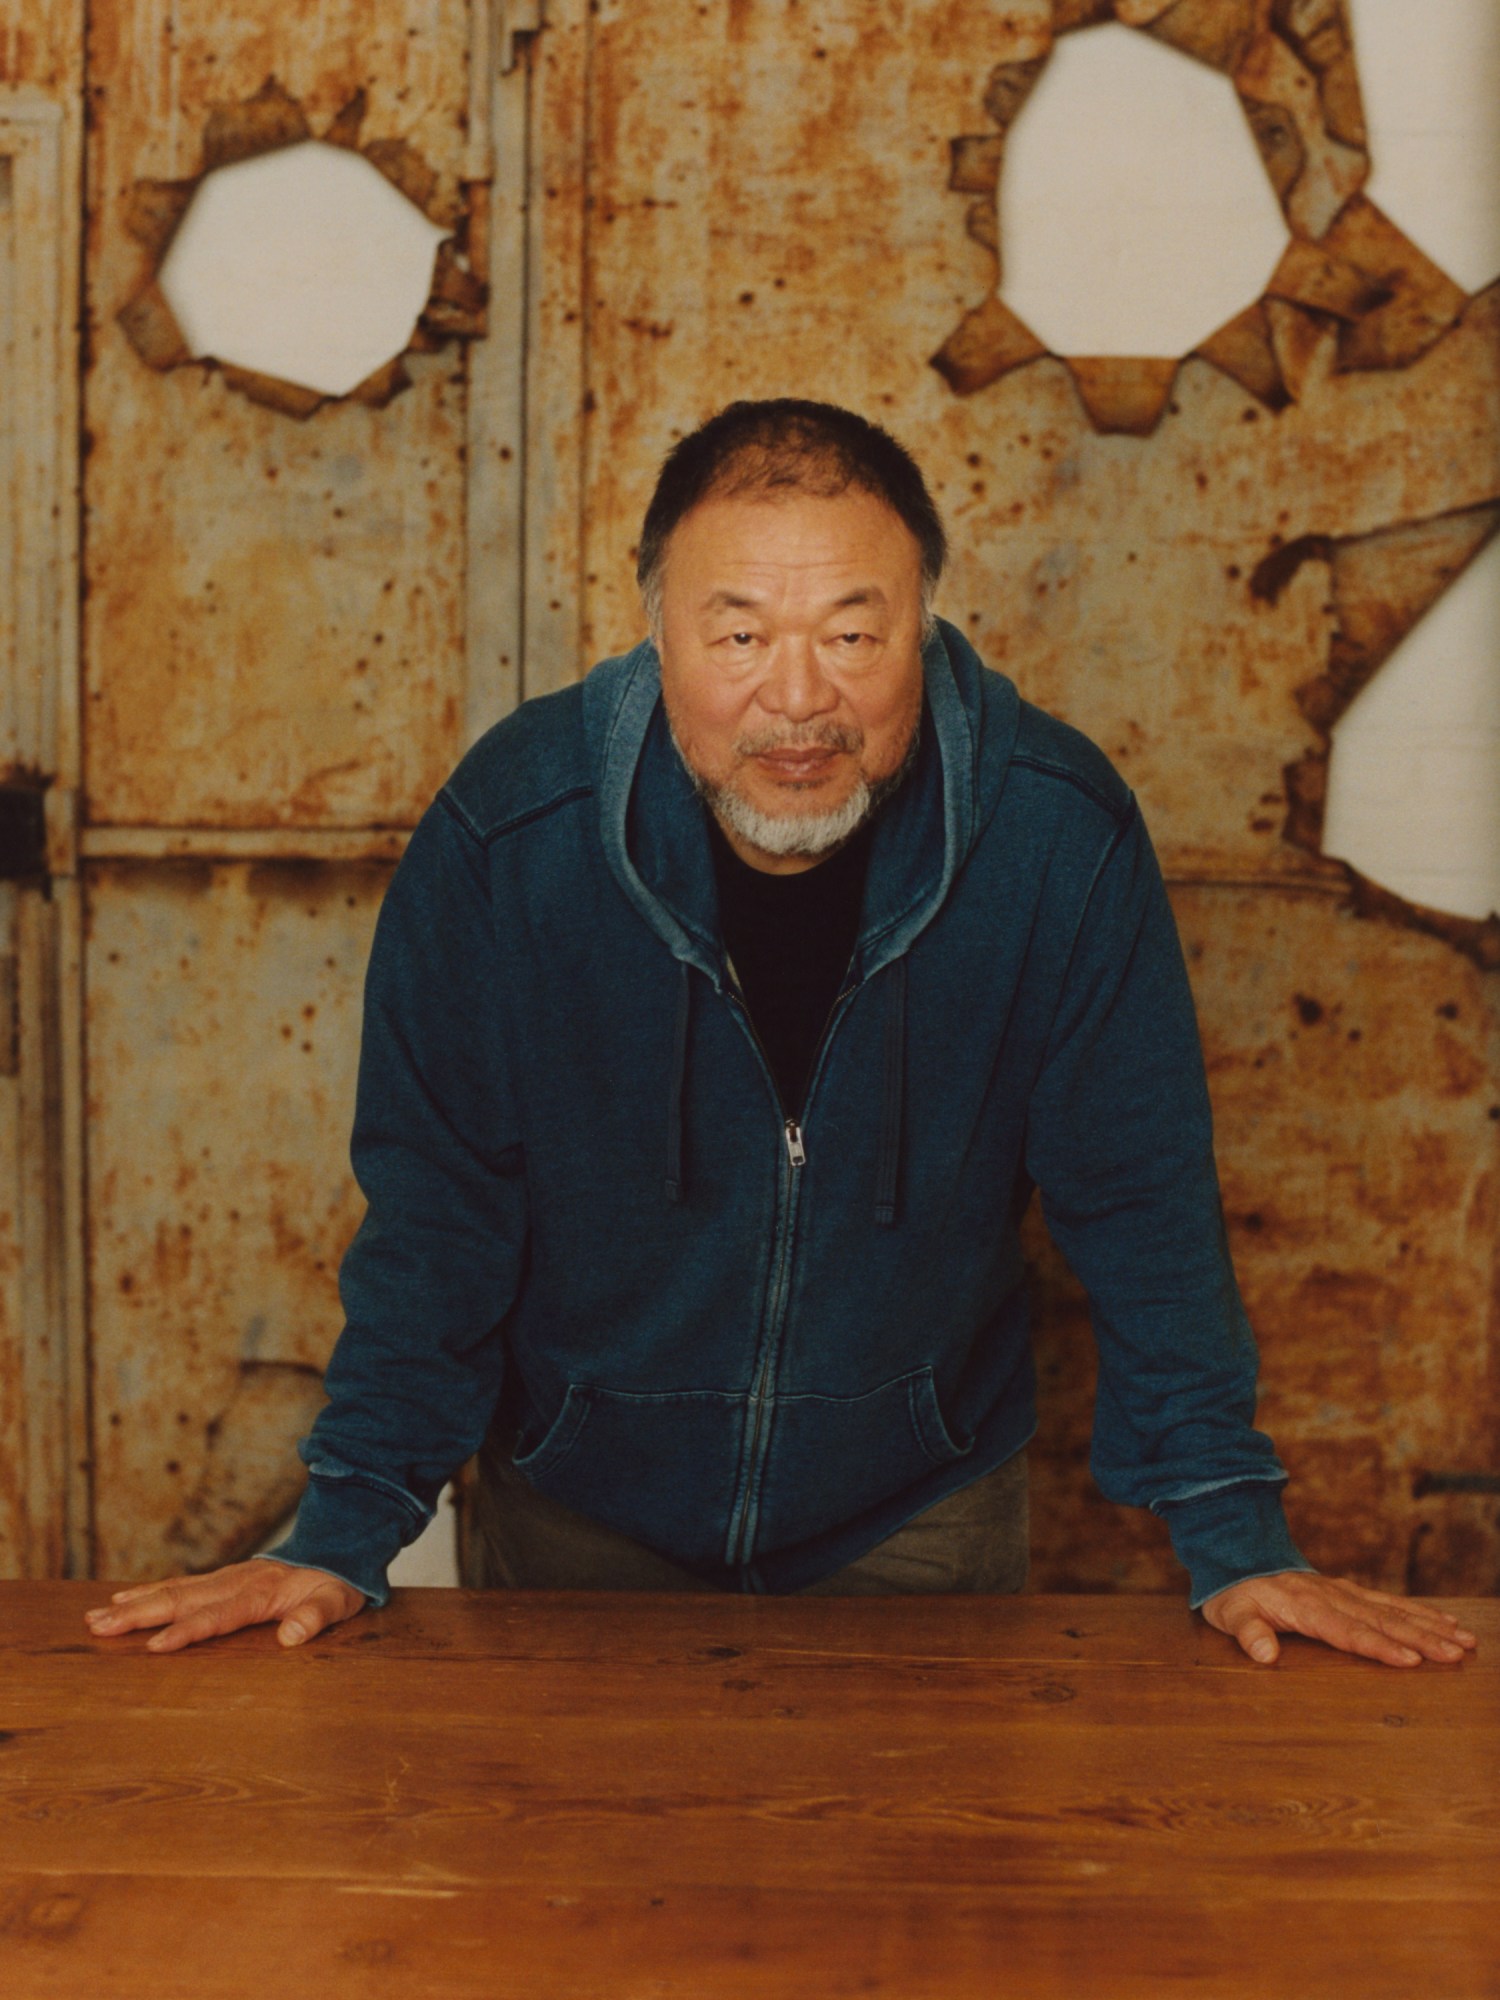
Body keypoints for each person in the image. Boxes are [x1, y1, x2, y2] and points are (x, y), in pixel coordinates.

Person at [87, 399, 1475, 1672]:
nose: (799, 699)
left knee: (912, 1923)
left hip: (918, 1513)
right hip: (580, 1512)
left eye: (855, 636)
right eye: (739, 634)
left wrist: (1236, 1535)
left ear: (923, 627)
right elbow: (441, 1210)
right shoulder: (513, 834)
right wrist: (342, 1527)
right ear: (657, 630)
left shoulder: (1056, 838)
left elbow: (1143, 1201)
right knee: (561, 1916)